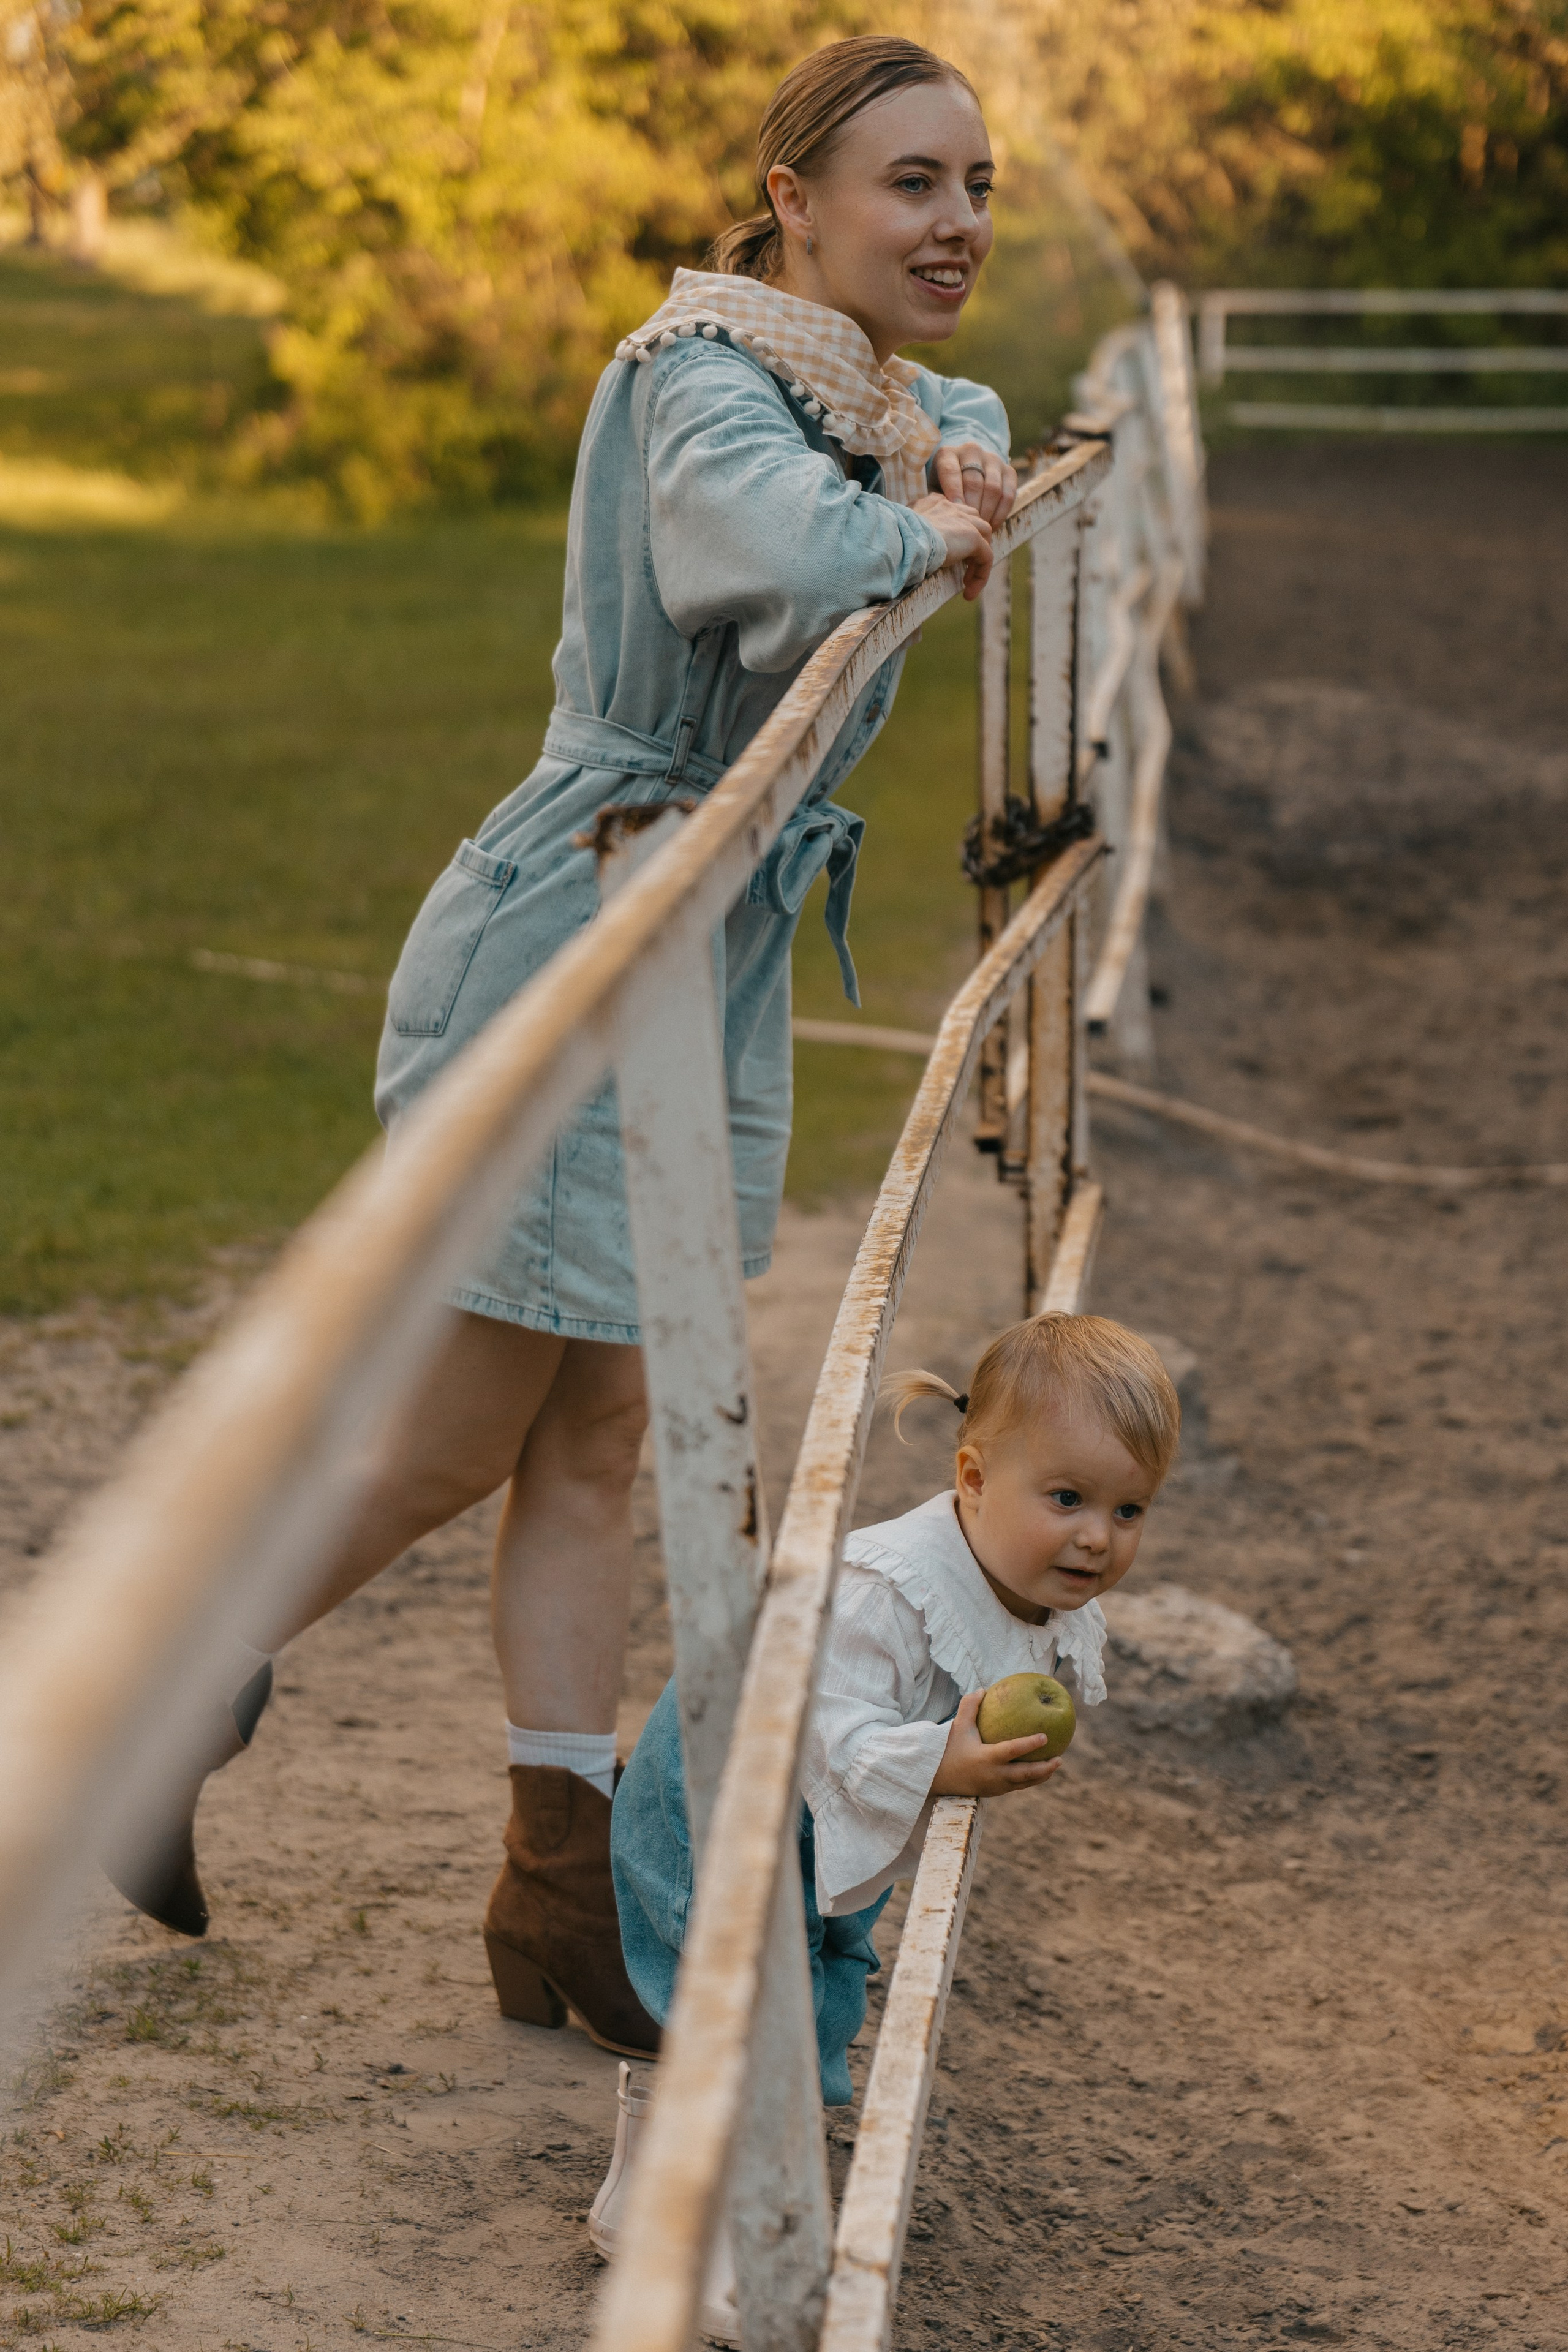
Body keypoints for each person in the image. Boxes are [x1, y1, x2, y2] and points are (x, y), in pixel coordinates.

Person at [106, 32, 1018, 2068]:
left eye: (976, 186)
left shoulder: (882, 389)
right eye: (910, 185)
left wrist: (945, 471)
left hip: (703, 949)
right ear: (791, 199)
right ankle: (151, 1698)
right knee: (455, 1433)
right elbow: (759, 555)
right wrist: (931, 523)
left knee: (603, 1436)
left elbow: (963, 430)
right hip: (583, 936)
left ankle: (553, 1885)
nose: (955, 224)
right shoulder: (699, 379)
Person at [597, 1314, 1180, 2337]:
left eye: (1130, 1509)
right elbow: (822, 1725)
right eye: (1068, 1499)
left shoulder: (1023, 1573)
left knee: (819, 1991)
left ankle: (663, 2190)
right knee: (751, 2008)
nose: (1099, 1535)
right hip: (724, 1803)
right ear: (971, 1477)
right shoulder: (882, 1588)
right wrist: (940, 1762)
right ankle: (704, 2226)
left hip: (817, 1824)